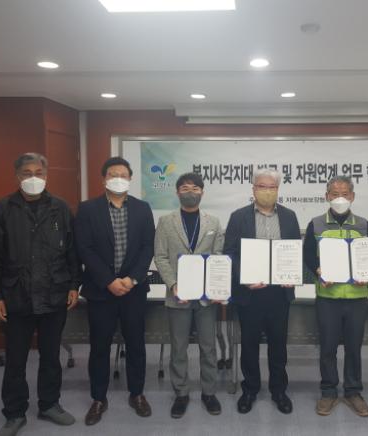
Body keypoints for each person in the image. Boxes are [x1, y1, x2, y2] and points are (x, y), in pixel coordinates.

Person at [0, 152, 79, 436]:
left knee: (51, 356)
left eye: (39, 172)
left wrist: (74, 285)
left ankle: (49, 404)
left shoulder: (60, 208)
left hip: (54, 295)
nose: (33, 178)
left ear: (46, 175)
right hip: (16, 297)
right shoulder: (2, 209)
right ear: (17, 176)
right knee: (15, 360)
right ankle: (14, 413)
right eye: (27, 173)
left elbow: (72, 251)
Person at [75, 157, 155, 425]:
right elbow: (85, 248)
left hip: (134, 290)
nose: (118, 178)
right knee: (99, 347)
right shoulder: (88, 209)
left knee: (136, 345)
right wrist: (109, 280)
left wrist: (132, 279)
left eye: (123, 174)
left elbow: (148, 247)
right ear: (104, 179)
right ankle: (98, 398)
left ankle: (137, 394)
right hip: (101, 291)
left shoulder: (143, 209)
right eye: (112, 174)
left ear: (130, 178)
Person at [224, 168, 301, 415]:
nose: (267, 191)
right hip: (250, 294)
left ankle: (279, 390)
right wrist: (243, 278)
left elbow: (295, 250)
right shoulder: (238, 217)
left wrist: (292, 276)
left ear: (278, 190)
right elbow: (229, 253)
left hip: (279, 294)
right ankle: (250, 389)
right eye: (262, 186)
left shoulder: (289, 216)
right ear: (253, 189)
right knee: (249, 345)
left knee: (278, 345)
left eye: (272, 187)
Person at [154, 172, 224, 418]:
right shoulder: (166, 222)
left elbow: (218, 256)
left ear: (202, 192)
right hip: (178, 296)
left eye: (195, 188)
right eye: (185, 188)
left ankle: (209, 392)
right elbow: (160, 256)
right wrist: (173, 284)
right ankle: (181, 393)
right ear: (177, 192)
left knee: (208, 347)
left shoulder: (213, 222)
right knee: (179, 348)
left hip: (206, 299)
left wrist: (215, 286)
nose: (190, 192)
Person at [303, 175, 368, 417]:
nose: (340, 198)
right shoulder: (316, 224)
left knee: (354, 348)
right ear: (327, 196)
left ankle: (353, 392)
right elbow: (308, 256)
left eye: (344, 194)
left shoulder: (363, 225)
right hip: (328, 297)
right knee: (328, 347)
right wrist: (318, 270)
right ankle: (328, 391)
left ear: (352, 196)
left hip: (357, 297)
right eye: (335, 194)